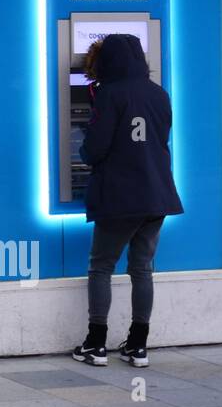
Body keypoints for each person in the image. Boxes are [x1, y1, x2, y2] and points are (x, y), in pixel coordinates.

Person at [71, 32, 182, 367]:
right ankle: (138, 346)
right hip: (157, 195)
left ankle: (96, 344)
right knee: (142, 268)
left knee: (101, 266)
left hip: (121, 195)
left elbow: (95, 148)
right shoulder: (159, 94)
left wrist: (85, 149)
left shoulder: (108, 94)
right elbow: (159, 139)